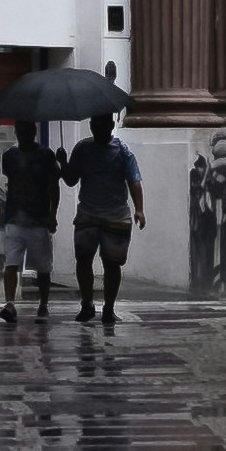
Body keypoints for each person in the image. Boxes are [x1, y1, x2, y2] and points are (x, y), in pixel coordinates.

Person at [62, 110, 145, 325]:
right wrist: (62, 164)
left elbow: (134, 180)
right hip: (88, 214)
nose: (96, 128)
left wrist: (139, 209)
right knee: (84, 260)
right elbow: (71, 180)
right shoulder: (82, 149)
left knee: (112, 264)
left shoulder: (122, 151)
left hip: (115, 216)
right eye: (94, 123)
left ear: (110, 125)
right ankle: (87, 304)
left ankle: (108, 307)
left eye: (101, 123)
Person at [0, 127, 61, 326]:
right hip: (15, 219)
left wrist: (52, 215)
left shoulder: (46, 155)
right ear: (17, 132)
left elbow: (53, 187)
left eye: (27, 131)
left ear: (32, 132)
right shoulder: (9, 156)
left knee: (43, 267)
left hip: (38, 220)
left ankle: (43, 304)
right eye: (21, 131)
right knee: (11, 263)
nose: (24, 135)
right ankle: (9, 303)